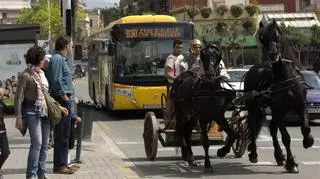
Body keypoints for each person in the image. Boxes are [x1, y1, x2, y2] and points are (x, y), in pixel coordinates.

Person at [14, 46, 68, 179]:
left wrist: (58, 106)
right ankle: (31, 175)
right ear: (38, 59)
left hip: (45, 112)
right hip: (32, 113)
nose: (45, 61)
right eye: (43, 58)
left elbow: (46, 94)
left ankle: (41, 173)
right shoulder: (25, 75)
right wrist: (18, 116)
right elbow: (18, 97)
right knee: (37, 143)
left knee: (45, 144)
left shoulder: (42, 74)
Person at [45, 36, 76, 174]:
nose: (71, 48)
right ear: (65, 46)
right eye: (70, 45)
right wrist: (64, 95)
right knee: (62, 133)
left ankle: (64, 162)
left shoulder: (61, 59)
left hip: (64, 99)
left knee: (65, 133)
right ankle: (59, 165)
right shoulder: (58, 59)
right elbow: (57, 80)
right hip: (61, 99)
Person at [164, 39, 184, 126]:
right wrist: (177, 79)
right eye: (177, 47)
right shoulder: (170, 58)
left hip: (183, 84)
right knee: (171, 100)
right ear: (173, 47)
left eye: (181, 48)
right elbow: (167, 74)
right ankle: (169, 119)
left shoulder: (182, 57)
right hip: (174, 84)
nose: (179, 49)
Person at [0, 88, 10, 179]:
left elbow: (9, 111)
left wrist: (20, 106)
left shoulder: (1, 102)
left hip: (2, 131)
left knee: (6, 152)